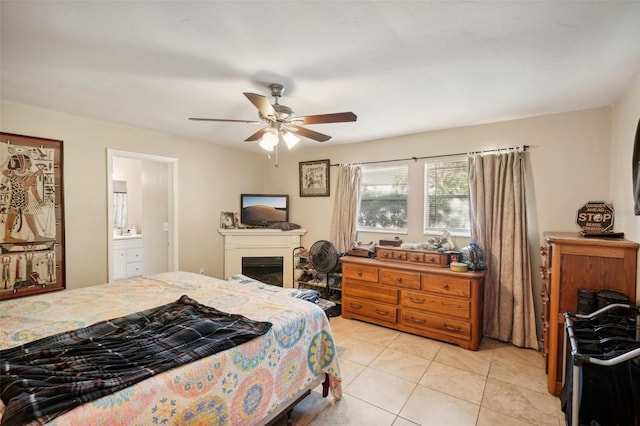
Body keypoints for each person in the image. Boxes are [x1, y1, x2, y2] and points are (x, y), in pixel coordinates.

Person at [2, 153, 49, 242]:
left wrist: (39, 201)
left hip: (26, 199)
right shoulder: (12, 172)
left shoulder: (30, 174)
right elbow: (4, 172)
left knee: (30, 217)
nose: (30, 164)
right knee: (11, 217)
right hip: (15, 198)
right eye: (28, 162)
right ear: (21, 162)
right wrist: (31, 176)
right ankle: (7, 237)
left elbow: (33, 190)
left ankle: (37, 236)